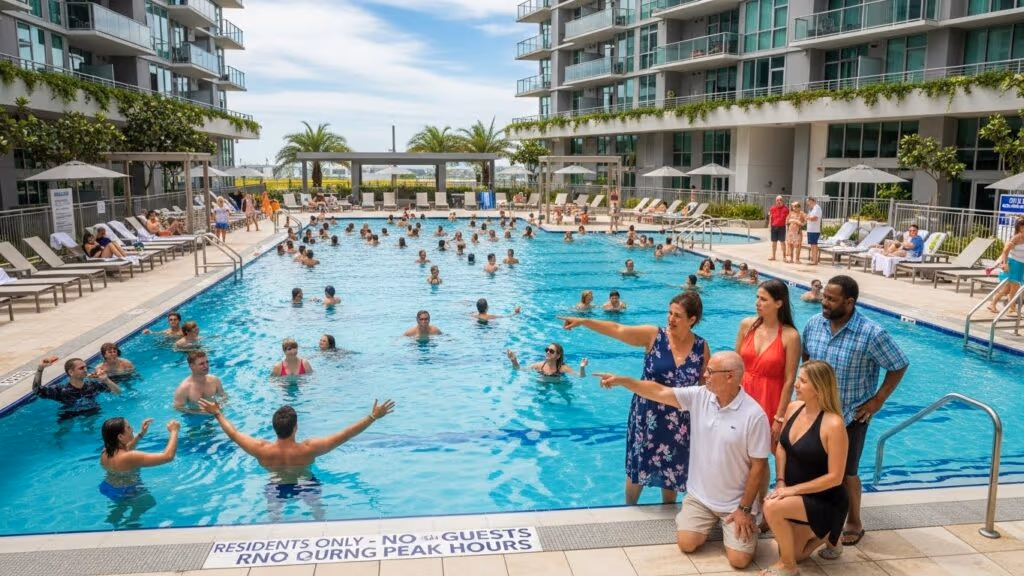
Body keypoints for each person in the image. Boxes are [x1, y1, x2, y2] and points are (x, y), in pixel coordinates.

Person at [593, 351, 769, 569]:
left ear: (730, 376)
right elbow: (660, 392)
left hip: (736, 503)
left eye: (711, 372)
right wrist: (623, 381)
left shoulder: (754, 415)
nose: (705, 375)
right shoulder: (700, 396)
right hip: (700, 498)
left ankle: (750, 520)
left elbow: (759, 466)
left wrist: (744, 510)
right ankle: (714, 522)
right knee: (687, 544)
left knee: (739, 561)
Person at [562, 293, 710, 505]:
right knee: (638, 466)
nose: (670, 319)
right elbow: (618, 330)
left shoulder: (701, 347)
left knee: (672, 470)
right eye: (669, 313)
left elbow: (706, 386)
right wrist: (585, 321)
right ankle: (629, 509)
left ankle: (668, 512)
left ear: (692, 319)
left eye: (677, 315)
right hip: (647, 414)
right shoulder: (654, 335)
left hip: (680, 420)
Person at [803, 275, 909, 547]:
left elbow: (898, 364)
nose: (824, 302)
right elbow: (807, 361)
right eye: (824, 296)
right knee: (811, 466)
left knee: (847, 472)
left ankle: (854, 521)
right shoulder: (814, 325)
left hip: (850, 416)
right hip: (815, 413)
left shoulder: (872, 333)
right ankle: (812, 516)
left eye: (831, 299)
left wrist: (879, 400)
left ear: (849, 302)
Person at [199, 399, 396, 514]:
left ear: (274, 428)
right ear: (296, 428)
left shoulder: (261, 449)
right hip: (306, 481)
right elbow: (345, 435)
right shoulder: (309, 448)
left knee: (274, 516)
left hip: (275, 484)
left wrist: (217, 413)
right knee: (318, 512)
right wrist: (372, 417)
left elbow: (233, 433)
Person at [762, 361, 849, 573]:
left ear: (819, 388)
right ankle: (829, 536)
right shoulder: (793, 408)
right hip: (795, 493)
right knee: (798, 552)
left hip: (825, 499)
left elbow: (835, 478)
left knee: (771, 507)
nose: (796, 385)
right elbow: (782, 446)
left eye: (802, 381)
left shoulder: (834, 425)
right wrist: (781, 481)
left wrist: (790, 491)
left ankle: (788, 566)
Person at [734, 279, 801, 497]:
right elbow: (736, 365)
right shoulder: (746, 325)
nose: (757, 303)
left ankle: (763, 505)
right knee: (739, 454)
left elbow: (790, 379)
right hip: (742, 396)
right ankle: (743, 503)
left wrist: (779, 417)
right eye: (757, 298)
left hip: (770, 400)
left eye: (763, 299)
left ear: (779, 303)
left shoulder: (790, 336)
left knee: (763, 456)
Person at [99, 417, 180, 501]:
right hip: (127, 491)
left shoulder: (105, 451)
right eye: (128, 427)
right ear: (120, 436)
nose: (132, 429)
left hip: (107, 486)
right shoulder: (130, 456)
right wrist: (174, 431)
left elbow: (127, 449)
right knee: (148, 503)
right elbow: (168, 457)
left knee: (118, 511)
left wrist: (141, 434)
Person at [32, 356, 121, 415]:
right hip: (69, 414)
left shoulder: (92, 385)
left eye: (86, 367)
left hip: (92, 412)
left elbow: (118, 392)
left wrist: (106, 380)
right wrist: (40, 368)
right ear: (71, 372)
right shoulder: (61, 390)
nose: (86, 370)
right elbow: (37, 391)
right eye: (81, 368)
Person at [988, 217, 1024, 314]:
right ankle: (1012, 309)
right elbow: (1005, 251)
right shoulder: (1017, 237)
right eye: (1023, 225)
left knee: (1007, 289)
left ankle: (993, 304)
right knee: (1014, 289)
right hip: (1014, 264)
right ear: (1019, 227)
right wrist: (1004, 264)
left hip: (1021, 265)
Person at [507, 343, 587, 377]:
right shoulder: (539, 365)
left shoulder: (562, 368)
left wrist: (582, 367)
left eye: (551, 351)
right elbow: (519, 369)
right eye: (547, 350)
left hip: (558, 384)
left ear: (558, 356)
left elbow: (580, 376)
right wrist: (514, 360)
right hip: (543, 383)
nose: (548, 352)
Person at [769, 195, 789, 261]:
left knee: (782, 242)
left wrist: (788, 226)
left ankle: (784, 257)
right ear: (775, 201)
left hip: (782, 227)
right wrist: (769, 225)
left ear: (782, 201)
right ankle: (773, 256)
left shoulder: (786, 209)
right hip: (774, 226)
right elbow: (770, 217)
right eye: (777, 200)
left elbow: (788, 218)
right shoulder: (772, 208)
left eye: (780, 200)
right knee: (774, 243)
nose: (779, 201)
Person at [805, 197, 822, 265]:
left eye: (808, 201)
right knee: (812, 245)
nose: (807, 203)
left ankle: (815, 261)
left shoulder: (817, 208)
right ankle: (813, 259)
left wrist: (806, 217)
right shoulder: (812, 209)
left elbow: (815, 218)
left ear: (811, 201)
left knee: (814, 245)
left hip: (814, 230)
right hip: (811, 229)